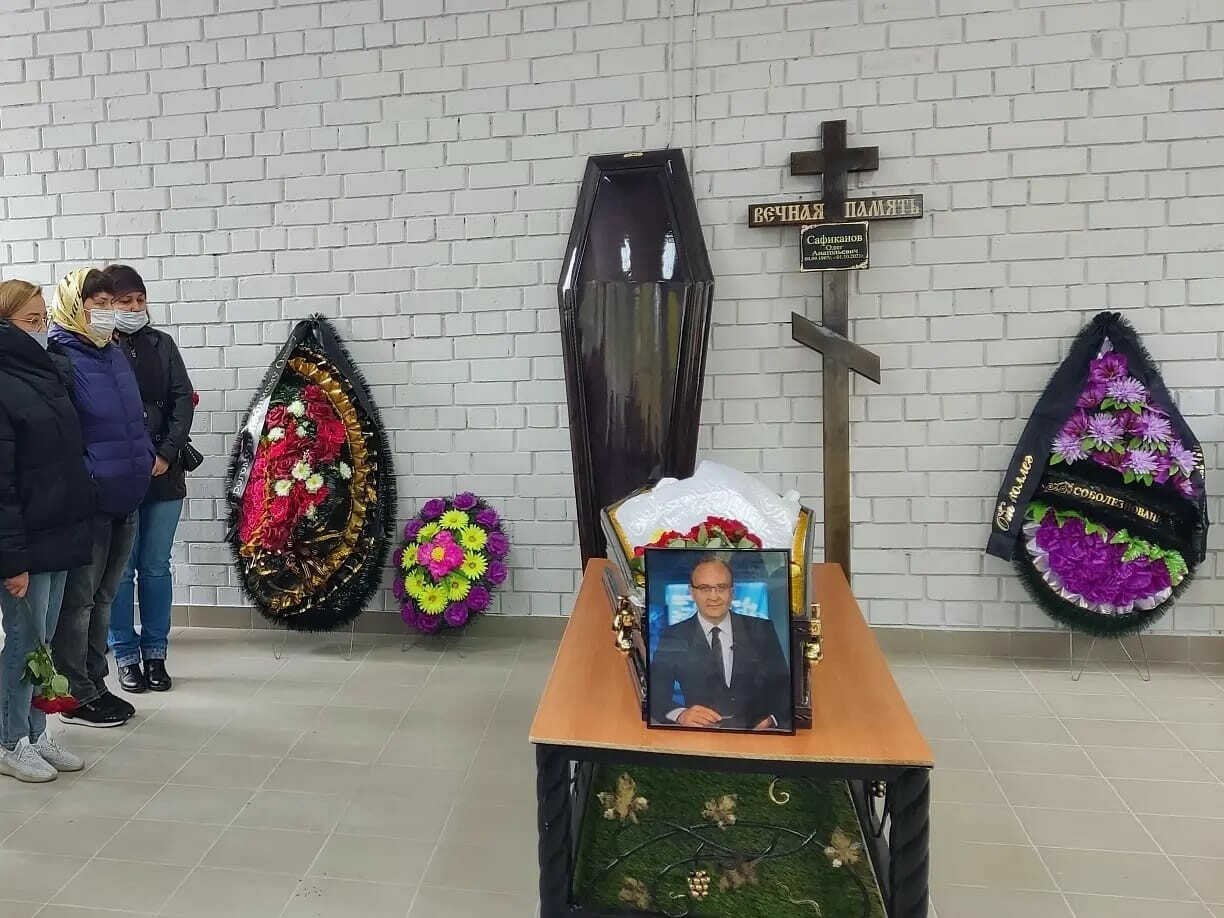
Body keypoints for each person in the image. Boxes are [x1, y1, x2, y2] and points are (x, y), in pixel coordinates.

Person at [49, 269, 155, 728]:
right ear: (76, 306)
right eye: (99, 303)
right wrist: (89, 478)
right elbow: (60, 433)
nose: (110, 312)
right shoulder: (59, 356)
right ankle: (74, 694)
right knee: (79, 603)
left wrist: (145, 458)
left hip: (125, 493)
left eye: (113, 302)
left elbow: (132, 419)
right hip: (89, 500)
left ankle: (95, 681)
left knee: (105, 597)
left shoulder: (112, 353)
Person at [0, 280, 95, 780]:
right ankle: (8, 739)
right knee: (23, 641)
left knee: (43, 643)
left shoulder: (47, 372)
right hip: (26, 542)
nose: (42, 330)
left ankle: (36, 733)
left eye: (44, 319)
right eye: (31, 321)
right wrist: (12, 559)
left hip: (58, 529)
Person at [105, 265, 194, 693]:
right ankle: (124, 654)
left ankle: (155, 653)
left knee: (156, 566)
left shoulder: (162, 344)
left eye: (140, 300)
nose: (134, 308)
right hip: (119, 473)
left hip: (163, 471)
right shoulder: (97, 348)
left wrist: (165, 453)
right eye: (125, 301)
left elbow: (182, 400)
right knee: (120, 571)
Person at [649, 555, 791, 731]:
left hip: (757, 733)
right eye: (704, 588)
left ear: (732, 591)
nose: (714, 597)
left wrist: (771, 720)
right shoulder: (673, 635)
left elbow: (785, 688)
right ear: (692, 592)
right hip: (700, 734)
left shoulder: (761, 629)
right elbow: (656, 695)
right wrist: (681, 714)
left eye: (721, 588)